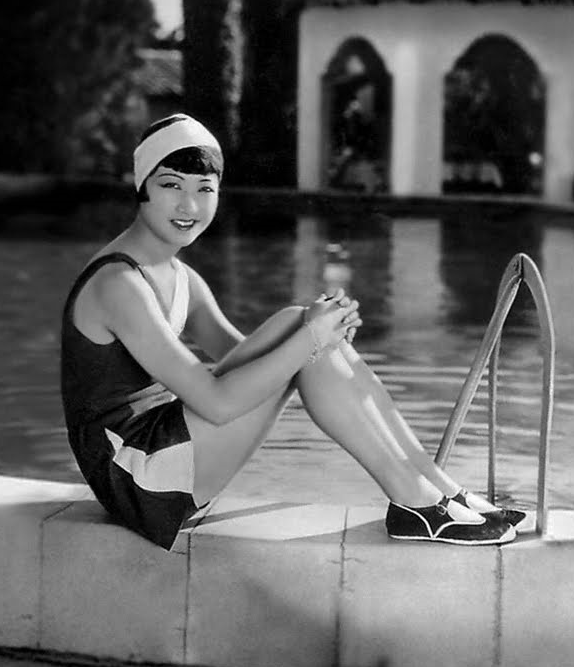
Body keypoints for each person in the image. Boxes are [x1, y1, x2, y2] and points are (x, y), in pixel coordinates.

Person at [60, 113, 525, 551]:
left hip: (167, 449)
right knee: (302, 334)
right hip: (137, 477)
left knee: (297, 323)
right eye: (170, 186)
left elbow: (258, 363)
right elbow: (218, 404)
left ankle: (438, 489)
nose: (189, 205)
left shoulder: (181, 278)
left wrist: (327, 337)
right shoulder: (118, 285)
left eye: (204, 188)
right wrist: (311, 341)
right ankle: (418, 503)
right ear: (141, 187)